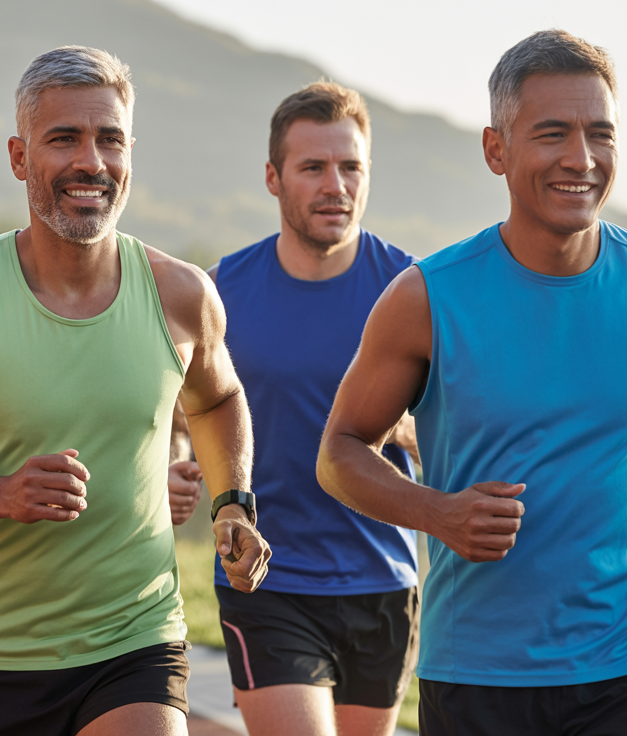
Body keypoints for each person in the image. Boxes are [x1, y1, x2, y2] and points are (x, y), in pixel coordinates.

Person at [316, 30, 627, 736]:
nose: (580, 159)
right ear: (497, 149)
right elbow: (339, 452)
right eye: (552, 134)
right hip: (477, 674)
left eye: (600, 135)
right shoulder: (427, 298)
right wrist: (438, 513)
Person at [0, 46, 271, 736]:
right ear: (21, 158)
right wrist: (1, 495)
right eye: (65, 139)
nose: (91, 161)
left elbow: (218, 398)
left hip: (137, 638)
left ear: (130, 151)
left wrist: (233, 504)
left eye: (109, 138)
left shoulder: (180, 294)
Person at [211, 82, 419, 736]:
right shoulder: (223, 290)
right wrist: (185, 468)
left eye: (350, 166)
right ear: (274, 178)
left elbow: (459, 424)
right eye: (313, 167)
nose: (336, 185)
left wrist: (416, 428)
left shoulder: (410, 288)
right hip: (267, 578)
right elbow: (195, 406)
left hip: (383, 578)